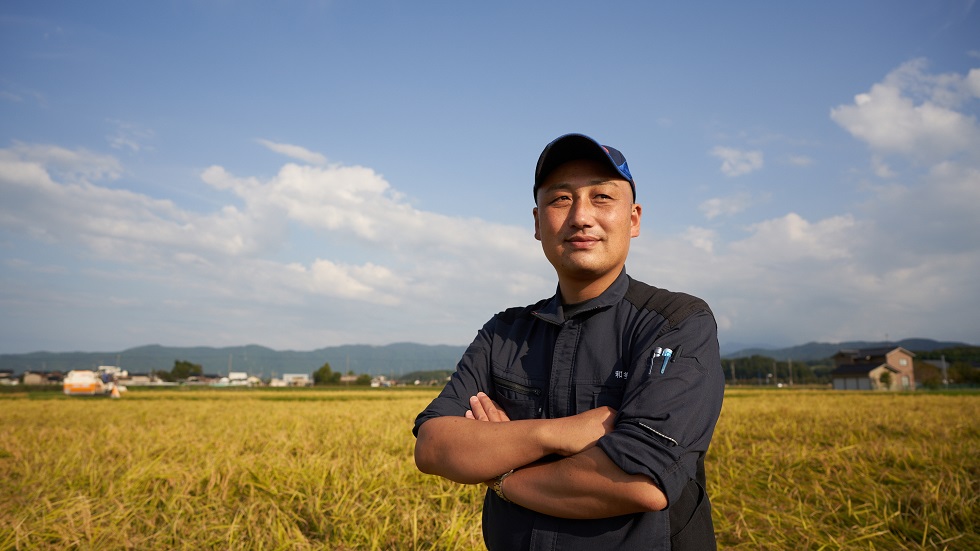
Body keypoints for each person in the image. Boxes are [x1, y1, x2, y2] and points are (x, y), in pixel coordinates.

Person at [413, 133, 725, 550]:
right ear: (538, 224)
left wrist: (500, 471)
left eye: (601, 197)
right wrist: (554, 435)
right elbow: (433, 446)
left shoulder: (675, 325)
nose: (580, 216)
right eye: (560, 199)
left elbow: (640, 480)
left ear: (633, 220)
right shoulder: (504, 332)